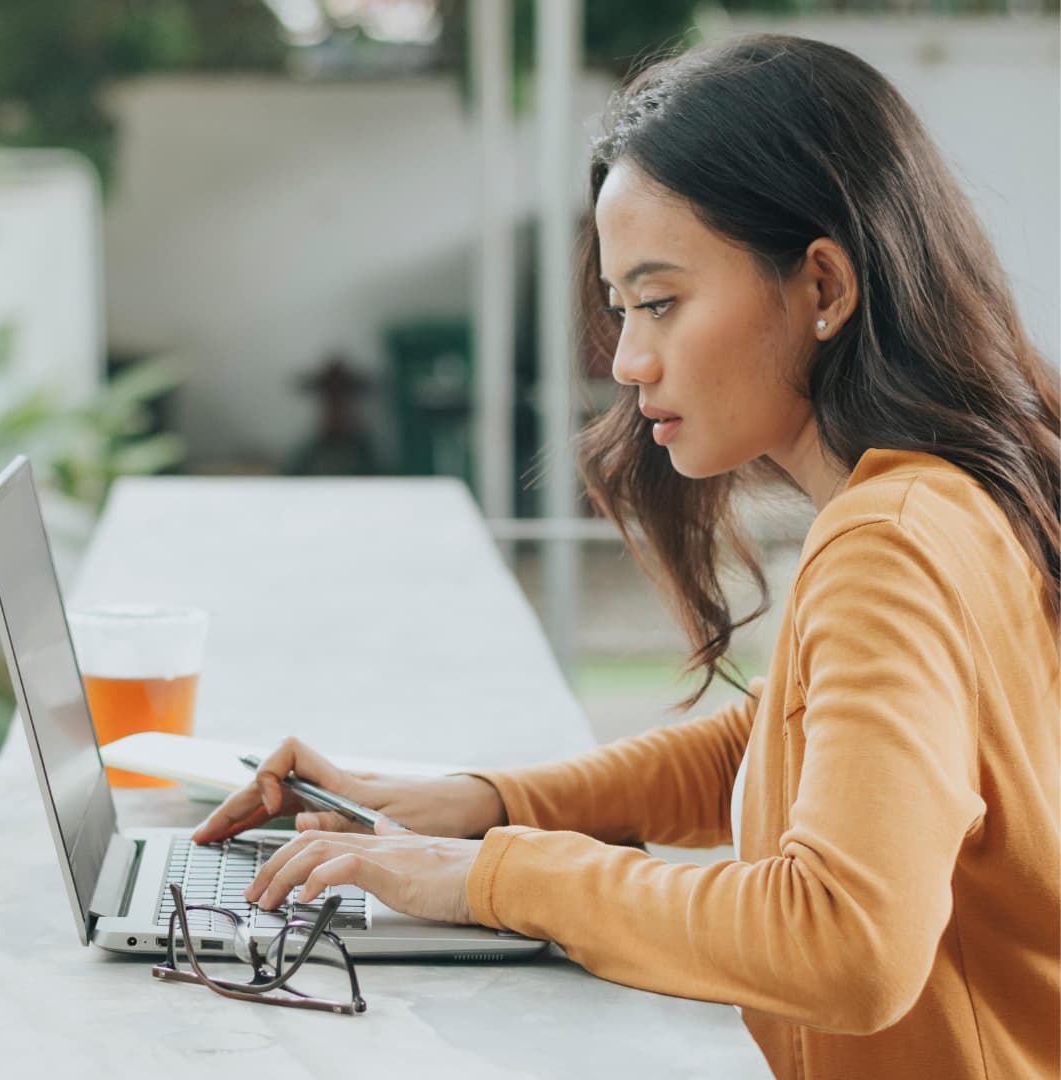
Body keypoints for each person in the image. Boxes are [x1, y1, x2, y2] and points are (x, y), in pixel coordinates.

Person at [193, 33, 1058, 1080]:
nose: (628, 360)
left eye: (661, 302)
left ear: (822, 284)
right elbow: (785, 734)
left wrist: (486, 876)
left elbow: (847, 941)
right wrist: (482, 803)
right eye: (619, 311)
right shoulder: (960, 495)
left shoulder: (892, 541)